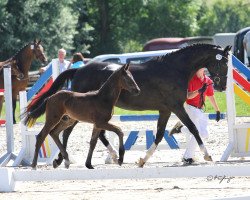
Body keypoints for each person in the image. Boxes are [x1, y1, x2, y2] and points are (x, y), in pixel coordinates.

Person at [169, 68, 221, 165]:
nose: (197, 69)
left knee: (205, 134)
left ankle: (181, 129)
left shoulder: (208, 81)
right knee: (198, 133)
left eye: (200, 67)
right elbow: (187, 96)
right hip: (190, 108)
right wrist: (199, 91)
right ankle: (187, 157)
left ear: (203, 69)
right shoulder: (191, 80)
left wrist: (217, 110)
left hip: (200, 110)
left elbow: (210, 95)